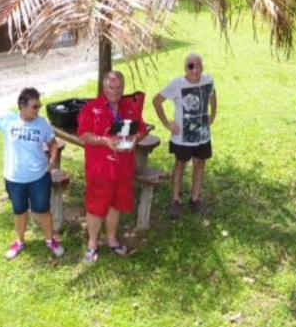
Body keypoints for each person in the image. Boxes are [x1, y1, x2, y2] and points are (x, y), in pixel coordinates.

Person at [0, 87, 65, 260]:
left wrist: (52, 161)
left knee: (44, 211)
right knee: (20, 211)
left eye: (39, 105)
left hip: (39, 178)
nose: (38, 109)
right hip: (14, 178)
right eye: (34, 106)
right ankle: (20, 241)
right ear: (22, 106)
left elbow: (52, 143)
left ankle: (50, 240)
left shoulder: (43, 123)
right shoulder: (8, 121)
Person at [77, 70, 149, 264]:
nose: (115, 91)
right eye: (111, 87)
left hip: (123, 168)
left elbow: (142, 129)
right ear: (104, 87)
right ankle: (92, 244)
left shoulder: (130, 108)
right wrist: (105, 141)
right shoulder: (91, 109)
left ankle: (111, 239)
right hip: (100, 168)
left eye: (118, 87)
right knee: (96, 205)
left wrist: (136, 138)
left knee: (115, 203)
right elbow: (83, 135)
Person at [153, 52, 218, 219]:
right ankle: (176, 200)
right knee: (180, 165)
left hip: (202, 135)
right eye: (191, 66)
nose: (195, 70)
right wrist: (167, 123)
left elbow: (213, 97)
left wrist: (212, 115)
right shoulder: (177, 84)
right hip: (182, 137)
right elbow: (157, 101)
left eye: (198, 66)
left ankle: (195, 199)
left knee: (200, 164)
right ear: (185, 67)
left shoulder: (208, 80)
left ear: (202, 67)